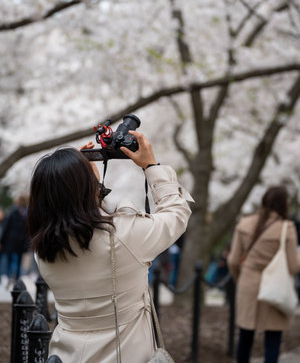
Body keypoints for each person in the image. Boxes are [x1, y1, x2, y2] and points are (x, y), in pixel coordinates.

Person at [27, 131, 193, 363]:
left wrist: (79, 178)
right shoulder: (126, 235)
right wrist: (152, 166)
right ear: (90, 188)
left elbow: (78, 216)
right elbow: (176, 214)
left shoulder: (42, 249)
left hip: (66, 355)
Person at [227, 186, 300, 363]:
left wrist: (241, 279)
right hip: (275, 286)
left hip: (248, 283)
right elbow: (293, 266)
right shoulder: (286, 228)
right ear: (284, 204)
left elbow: (233, 261)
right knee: (273, 339)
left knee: (245, 336)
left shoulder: (244, 223)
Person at [0, 194, 29, 285]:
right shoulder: (26, 213)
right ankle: (16, 278)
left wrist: (2, 241)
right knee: (18, 260)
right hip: (20, 241)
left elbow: (6, 227)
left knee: (9, 259)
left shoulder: (13, 212)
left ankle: (9, 277)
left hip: (10, 241)